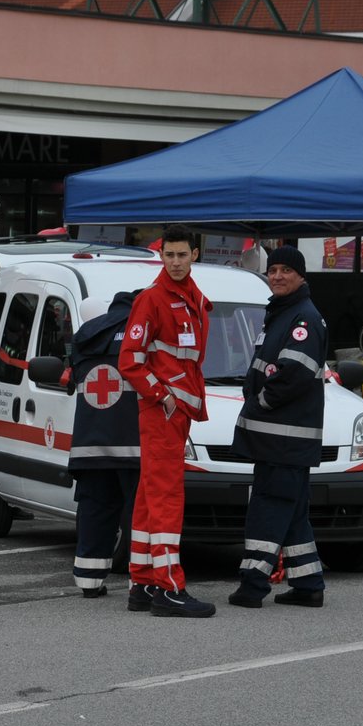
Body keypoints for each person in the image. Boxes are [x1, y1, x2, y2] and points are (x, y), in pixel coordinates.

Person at [118, 224, 214, 618]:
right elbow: (129, 361)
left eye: (181, 254)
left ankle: (142, 582)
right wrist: (165, 398)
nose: (174, 262)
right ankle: (169, 587)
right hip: (162, 412)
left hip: (176, 413)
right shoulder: (152, 299)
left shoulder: (193, 298)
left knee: (148, 496)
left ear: (195, 254)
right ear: (161, 255)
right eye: (168, 255)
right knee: (166, 497)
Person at [228, 245, 329, 609]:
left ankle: (252, 585)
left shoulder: (302, 318)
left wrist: (260, 403)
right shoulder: (283, 313)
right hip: (282, 439)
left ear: (301, 275)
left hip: (282, 438)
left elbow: (293, 376)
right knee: (292, 511)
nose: (278, 276)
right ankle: (308, 585)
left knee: (268, 509)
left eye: (286, 270)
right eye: (273, 270)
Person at [65, 291, 141, 598]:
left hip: (89, 445)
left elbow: (71, 381)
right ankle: (141, 580)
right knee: (141, 515)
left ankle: (89, 581)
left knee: (95, 510)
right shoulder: (141, 332)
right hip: (133, 444)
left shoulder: (86, 334)